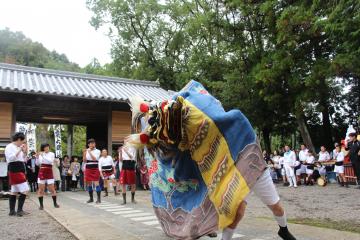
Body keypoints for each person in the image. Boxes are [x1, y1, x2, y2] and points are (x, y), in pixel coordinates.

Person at [126, 81, 296, 240]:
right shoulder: (189, 129)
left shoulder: (213, 118)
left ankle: (283, 229)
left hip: (254, 168)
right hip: (233, 174)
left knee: (275, 206)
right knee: (237, 212)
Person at [5, 132, 29, 216]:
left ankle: (12, 211)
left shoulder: (18, 147)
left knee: (14, 191)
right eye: (22, 142)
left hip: (19, 168)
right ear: (19, 139)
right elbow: (11, 158)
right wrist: (19, 150)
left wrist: (24, 151)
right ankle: (19, 210)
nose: (22, 143)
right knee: (25, 189)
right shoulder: (9, 147)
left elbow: (24, 159)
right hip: (15, 168)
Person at [36, 143, 60, 210]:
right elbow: (37, 163)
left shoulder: (52, 154)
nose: (47, 148)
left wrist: (42, 155)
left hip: (49, 170)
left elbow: (50, 161)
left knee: (52, 189)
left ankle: (55, 203)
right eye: (45, 147)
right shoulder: (41, 154)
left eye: (47, 147)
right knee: (41, 189)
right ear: (43, 148)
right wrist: (37, 157)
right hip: (42, 171)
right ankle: (41, 205)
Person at [83, 139, 101, 203]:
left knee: (96, 182)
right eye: (90, 143)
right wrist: (84, 153)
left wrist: (89, 151)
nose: (92, 144)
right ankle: (91, 198)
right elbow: (84, 160)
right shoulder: (86, 151)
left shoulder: (98, 151)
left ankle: (98, 199)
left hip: (95, 167)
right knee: (89, 183)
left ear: (95, 144)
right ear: (88, 144)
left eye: (93, 143)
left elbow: (94, 159)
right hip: (88, 167)